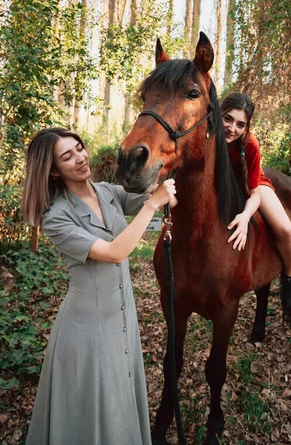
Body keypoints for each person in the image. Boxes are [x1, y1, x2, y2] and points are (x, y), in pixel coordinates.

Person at [21, 127, 176, 445]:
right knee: (91, 410)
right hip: (86, 330)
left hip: (122, 319)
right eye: (67, 156)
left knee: (118, 400)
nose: (79, 158)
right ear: (52, 170)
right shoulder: (56, 217)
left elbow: (158, 198)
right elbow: (115, 252)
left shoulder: (108, 192)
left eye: (79, 148)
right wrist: (151, 207)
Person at [220, 93, 291, 309]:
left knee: (285, 229)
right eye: (228, 119)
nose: (232, 128)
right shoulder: (207, 134)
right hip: (221, 184)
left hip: (251, 184)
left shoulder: (250, 145)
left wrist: (245, 218)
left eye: (240, 124)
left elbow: (254, 193)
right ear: (219, 114)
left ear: (246, 127)